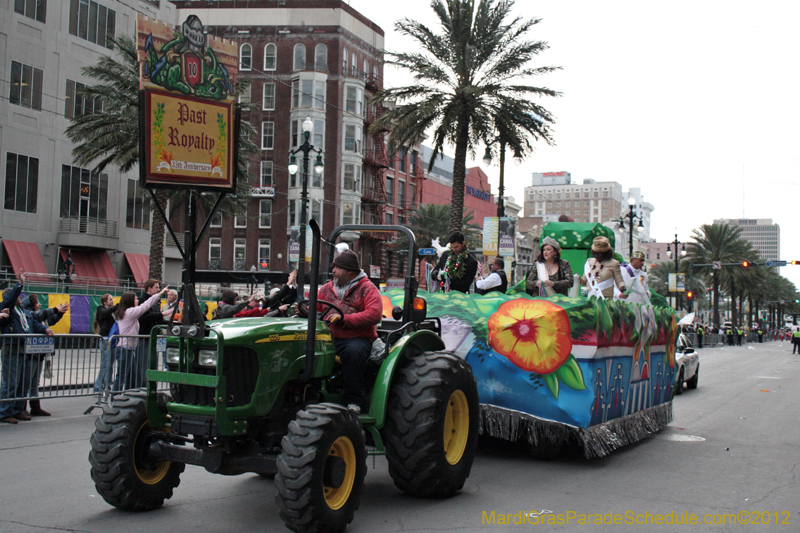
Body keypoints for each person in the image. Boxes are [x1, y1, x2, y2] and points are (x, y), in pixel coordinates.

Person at [317, 249, 382, 414]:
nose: (333, 271)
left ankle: (354, 400)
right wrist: (303, 310)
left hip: (356, 337)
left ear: (350, 272)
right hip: (328, 336)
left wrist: (345, 319)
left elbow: (374, 314)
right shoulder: (326, 289)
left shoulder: (367, 289)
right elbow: (315, 308)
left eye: (337, 268)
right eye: (333, 267)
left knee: (354, 352)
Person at [1, 274, 55, 424]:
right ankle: (5, 412)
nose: (20, 297)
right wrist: (19, 285)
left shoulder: (24, 312)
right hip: (12, 348)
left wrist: (45, 329)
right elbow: (9, 300)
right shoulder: (8, 309)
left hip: (26, 349)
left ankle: (18, 409)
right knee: (11, 382)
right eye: (18, 295)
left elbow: (33, 325)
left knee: (22, 382)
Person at [113, 285, 170, 392]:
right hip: (125, 348)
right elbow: (146, 305)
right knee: (122, 376)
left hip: (127, 348)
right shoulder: (130, 312)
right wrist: (161, 293)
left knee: (130, 376)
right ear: (130, 301)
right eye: (135, 298)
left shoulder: (127, 313)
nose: (137, 300)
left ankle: (128, 394)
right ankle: (114, 397)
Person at [20, 294, 68, 416]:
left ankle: (35, 407)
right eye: (37, 303)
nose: (39, 305)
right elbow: (40, 315)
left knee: (35, 382)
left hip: (39, 354)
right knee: (27, 381)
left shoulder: (40, 318)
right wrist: (56, 309)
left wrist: (60, 313)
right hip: (30, 354)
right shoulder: (29, 315)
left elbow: (51, 320)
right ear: (31, 305)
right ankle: (21, 407)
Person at [138, 279, 165, 382]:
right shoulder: (142, 300)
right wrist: (162, 314)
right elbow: (144, 318)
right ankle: (144, 387)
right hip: (144, 337)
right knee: (145, 366)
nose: (158, 290)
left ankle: (150, 387)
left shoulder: (154, 303)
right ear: (149, 289)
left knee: (152, 364)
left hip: (152, 338)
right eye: (156, 287)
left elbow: (156, 320)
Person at [93, 294, 118, 394]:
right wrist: (117, 305)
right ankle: (100, 387)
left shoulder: (113, 313)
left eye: (112, 299)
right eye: (110, 300)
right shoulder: (101, 310)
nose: (112, 301)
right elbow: (106, 313)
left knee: (109, 364)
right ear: (105, 302)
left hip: (112, 339)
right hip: (105, 339)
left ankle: (104, 386)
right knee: (105, 364)